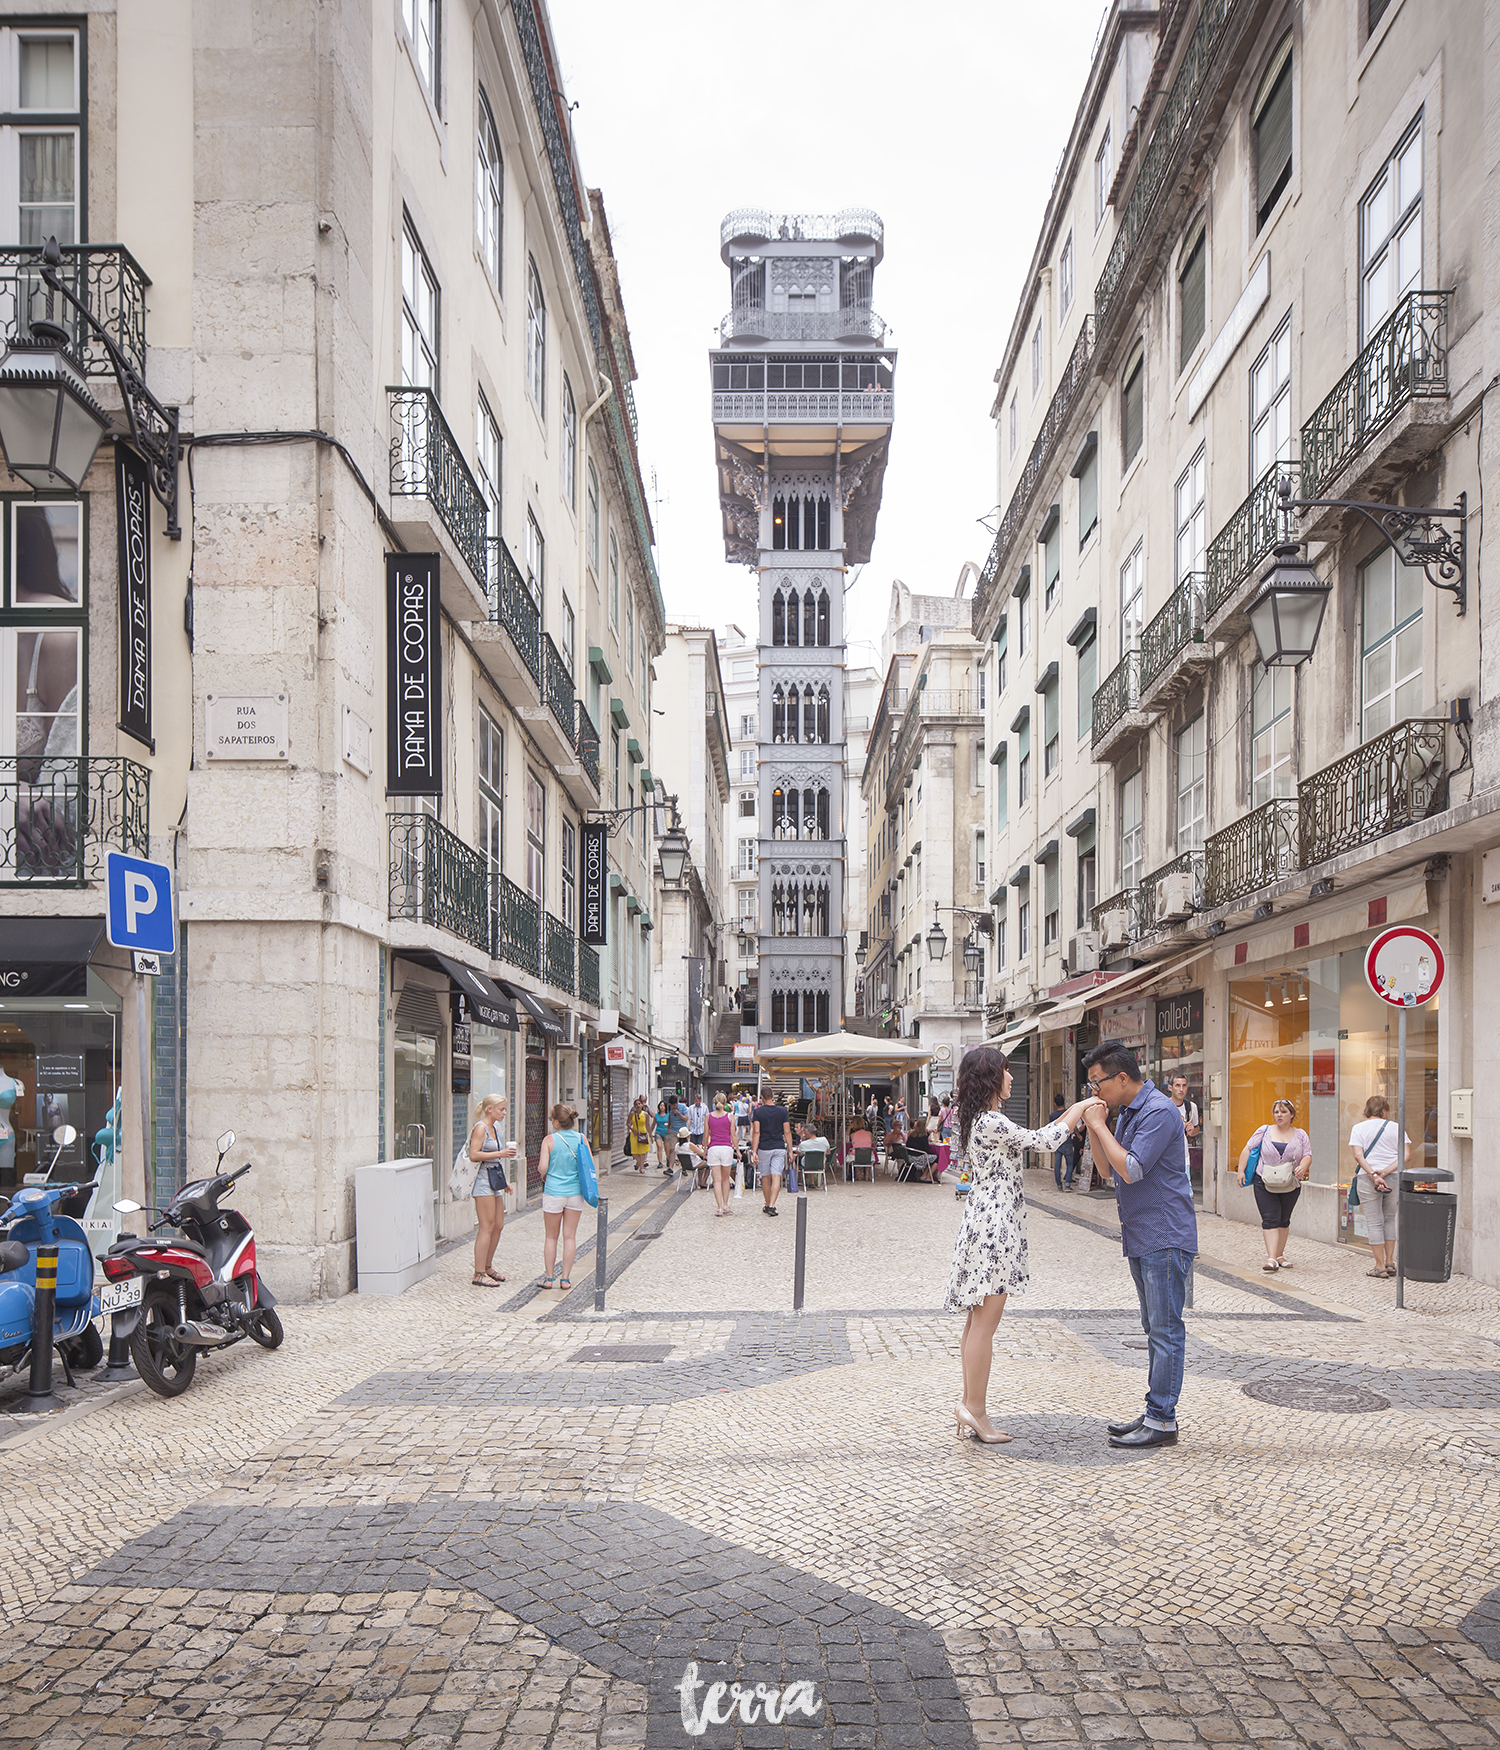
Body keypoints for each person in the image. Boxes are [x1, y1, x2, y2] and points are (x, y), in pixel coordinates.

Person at [945, 1045, 1096, 1444]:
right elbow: (1044, 1140)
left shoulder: (980, 1119)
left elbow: (1042, 1134)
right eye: (1007, 1071)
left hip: (983, 1224)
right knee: (984, 1326)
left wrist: (1075, 1110)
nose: (1012, 1078)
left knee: (976, 1323)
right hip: (995, 1229)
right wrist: (1080, 1107)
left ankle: (968, 1403)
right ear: (991, 1078)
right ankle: (975, 1409)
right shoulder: (992, 1121)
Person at [1081, 1040, 1199, 1449]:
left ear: (1122, 1077)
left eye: (1097, 1084)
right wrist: (1097, 1129)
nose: (1094, 1092)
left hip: (1164, 1236)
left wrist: (1098, 1125)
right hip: (1142, 1234)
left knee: (1166, 1330)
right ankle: (1155, 1410)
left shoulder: (1159, 1111)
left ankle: (1163, 1420)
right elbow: (1105, 1168)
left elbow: (1130, 1169)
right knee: (1154, 1328)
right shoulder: (1130, 1111)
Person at [1236, 1098, 1311, 1271]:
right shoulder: (1264, 1131)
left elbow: (1308, 1154)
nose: (1279, 1115)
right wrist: (1241, 1171)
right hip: (1264, 1180)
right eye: (1276, 1112)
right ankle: (1271, 1259)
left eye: (1283, 1111)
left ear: (1291, 1114)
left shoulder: (1300, 1134)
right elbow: (1247, 1149)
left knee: (1284, 1220)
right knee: (1270, 1219)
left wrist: (1304, 1165)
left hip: (1290, 1182)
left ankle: (1279, 1255)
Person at [1350, 1094, 1411, 1278]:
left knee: (1374, 1222)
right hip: (1392, 1177)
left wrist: (1373, 1175)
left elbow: (1358, 1156)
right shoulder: (1397, 1128)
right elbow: (1406, 1156)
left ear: (1367, 1110)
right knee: (1389, 1219)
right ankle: (1390, 1262)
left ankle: (1379, 1266)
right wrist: (1385, 1172)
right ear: (1385, 1110)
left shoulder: (1358, 1128)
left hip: (1368, 1179)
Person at [537, 1102, 594, 1291]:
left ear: (555, 1122)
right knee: (570, 1237)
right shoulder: (581, 1138)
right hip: (575, 1193)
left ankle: (549, 1278)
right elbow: (590, 1165)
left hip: (554, 1192)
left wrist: (543, 1172)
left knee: (551, 1237)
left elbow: (543, 1167)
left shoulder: (549, 1140)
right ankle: (566, 1279)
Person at [468, 1094, 518, 1287]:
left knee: (498, 1225)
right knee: (486, 1227)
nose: (504, 1113)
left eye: (505, 1109)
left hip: (494, 1179)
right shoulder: (481, 1128)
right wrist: (501, 1153)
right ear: (490, 1109)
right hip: (482, 1182)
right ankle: (478, 1273)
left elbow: (495, 1159)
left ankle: (487, 1267)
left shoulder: (495, 1128)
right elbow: (474, 1154)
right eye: (501, 1109)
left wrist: (504, 1182)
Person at [750, 1091, 790, 1215]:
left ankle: (767, 1204)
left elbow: (756, 1132)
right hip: (779, 1146)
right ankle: (772, 1205)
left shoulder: (758, 1112)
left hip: (764, 1147)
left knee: (766, 1176)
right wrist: (790, 1149)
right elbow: (787, 1132)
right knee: (776, 1175)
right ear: (773, 1096)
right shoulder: (783, 1111)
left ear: (761, 1098)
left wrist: (754, 1151)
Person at [704, 1094, 737, 1215]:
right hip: (727, 1148)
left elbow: (706, 1135)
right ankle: (726, 1205)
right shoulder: (730, 1116)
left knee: (716, 1180)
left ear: (714, 1102)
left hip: (714, 1148)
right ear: (725, 1102)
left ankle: (719, 1208)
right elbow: (733, 1135)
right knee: (725, 1179)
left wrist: (704, 1148)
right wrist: (737, 1150)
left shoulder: (708, 1116)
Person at [1167, 1075, 1200, 1171]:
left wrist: (1191, 1131)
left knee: (1186, 1185)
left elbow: (1196, 1128)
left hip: (1184, 1159)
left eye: (1184, 1086)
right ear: (1170, 1088)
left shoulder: (1191, 1107)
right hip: (1166, 1160)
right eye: (1177, 1085)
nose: (1181, 1089)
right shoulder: (1163, 1107)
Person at [1050, 1091, 1075, 1190]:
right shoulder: (1067, 1113)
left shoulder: (1052, 1115)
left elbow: (1051, 1128)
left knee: (1057, 1165)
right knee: (1070, 1163)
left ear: (1055, 1103)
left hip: (1057, 1142)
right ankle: (1068, 1183)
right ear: (1064, 1102)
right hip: (1067, 1141)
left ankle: (1059, 1185)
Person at [627, 1096, 653, 1173]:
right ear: (634, 1106)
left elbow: (648, 1125)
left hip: (643, 1133)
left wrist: (651, 1136)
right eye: (636, 1104)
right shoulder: (632, 1114)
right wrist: (632, 1129)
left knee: (642, 1152)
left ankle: (641, 1168)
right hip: (634, 1134)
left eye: (639, 1104)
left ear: (642, 1105)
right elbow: (628, 1123)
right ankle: (638, 1162)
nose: (638, 1105)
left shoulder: (645, 1114)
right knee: (634, 1152)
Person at [653, 1099, 671, 1169]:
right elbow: (653, 1124)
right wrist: (650, 1132)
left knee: (667, 1149)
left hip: (666, 1133)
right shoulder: (656, 1115)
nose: (662, 1107)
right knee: (659, 1147)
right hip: (658, 1132)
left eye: (663, 1106)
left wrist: (668, 1124)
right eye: (661, 1105)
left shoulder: (668, 1115)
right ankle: (660, 1162)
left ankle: (668, 1159)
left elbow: (671, 1123)